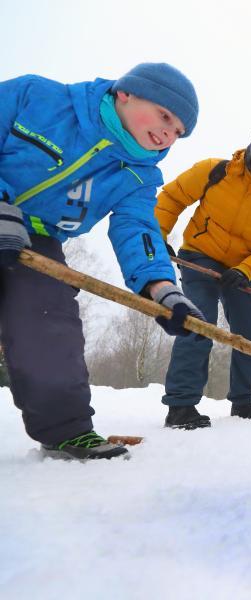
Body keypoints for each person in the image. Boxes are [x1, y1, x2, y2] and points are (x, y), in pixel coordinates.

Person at [0, 63, 204, 459]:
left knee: (49, 320)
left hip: (37, 241)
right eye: (165, 116)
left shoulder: (139, 175)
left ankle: (66, 429)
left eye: (178, 131)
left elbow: (138, 229)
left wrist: (162, 288)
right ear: (126, 93)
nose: (168, 133)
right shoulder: (37, 97)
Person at [156, 128, 251, 429]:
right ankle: (181, 405)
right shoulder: (215, 171)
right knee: (199, 323)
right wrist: (158, 236)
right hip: (199, 257)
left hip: (239, 271)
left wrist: (245, 270)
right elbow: (172, 198)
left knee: (250, 333)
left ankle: (243, 402)